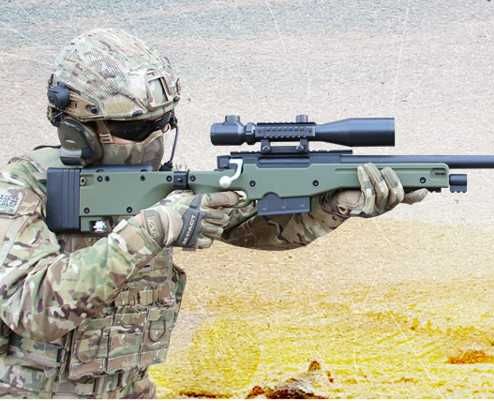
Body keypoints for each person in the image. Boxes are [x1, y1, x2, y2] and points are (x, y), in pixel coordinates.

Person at [0, 29, 427, 398]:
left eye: (163, 123)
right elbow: (30, 309)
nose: (154, 140)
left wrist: (333, 206)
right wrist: (156, 227)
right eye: (135, 129)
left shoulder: (164, 187)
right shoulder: (23, 187)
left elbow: (256, 229)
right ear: (76, 129)